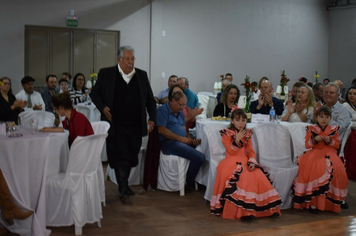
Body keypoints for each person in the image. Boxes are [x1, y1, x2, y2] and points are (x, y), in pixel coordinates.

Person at [90, 46, 156, 203]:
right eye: (127, 59)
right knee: (121, 155)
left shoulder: (141, 75)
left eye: (132, 59)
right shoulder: (107, 74)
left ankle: (124, 185)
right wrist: (103, 107)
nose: (130, 62)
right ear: (119, 60)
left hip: (135, 124)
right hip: (115, 123)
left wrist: (152, 117)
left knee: (132, 154)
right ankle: (123, 188)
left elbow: (150, 99)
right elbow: (95, 93)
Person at [210, 108, 282, 220]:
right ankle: (244, 213)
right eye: (238, 120)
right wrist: (237, 140)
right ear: (232, 120)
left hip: (245, 161)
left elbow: (251, 151)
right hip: (230, 162)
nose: (241, 123)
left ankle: (268, 210)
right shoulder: (226, 133)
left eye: (243, 120)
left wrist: (252, 161)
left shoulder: (247, 134)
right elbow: (230, 151)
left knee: (259, 177)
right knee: (243, 180)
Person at [292, 106, 348, 213]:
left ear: (330, 118)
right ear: (316, 117)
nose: (324, 119)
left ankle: (337, 199)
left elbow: (336, 145)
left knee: (338, 169)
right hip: (315, 152)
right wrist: (314, 140)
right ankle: (314, 202)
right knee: (315, 169)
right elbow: (307, 145)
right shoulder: (311, 129)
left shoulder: (334, 129)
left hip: (330, 152)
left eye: (327, 117)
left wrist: (329, 140)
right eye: (321, 117)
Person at [156, 90, 204, 189]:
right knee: (200, 157)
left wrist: (190, 139)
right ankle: (189, 183)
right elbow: (161, 130)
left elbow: (183, 129)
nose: (182, 108)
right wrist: (181, 139)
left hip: (180, 141)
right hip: (169, 143)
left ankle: (200, 181)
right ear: (173, 100)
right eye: (181, 105)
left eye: (184, 105)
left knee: (203, 147)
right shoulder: (163, 110)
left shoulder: (179, 112)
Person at [342, 85, 356, 179]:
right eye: (350, 93)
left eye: (354, 94)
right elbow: (347, 122)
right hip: (350, 133)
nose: (352, 95)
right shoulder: (345, 106)